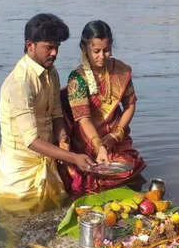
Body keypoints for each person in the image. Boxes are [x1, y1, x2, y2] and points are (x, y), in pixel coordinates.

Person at [0, 13, 96, 212]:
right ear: (30, 45)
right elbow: (31, 140)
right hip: (20, 176)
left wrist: (62, 136)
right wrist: (74, 158)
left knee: (52, 223)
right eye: (49, 47)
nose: (54, 53)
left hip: (47, 165)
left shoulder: (51, 72)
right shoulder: (20, 83)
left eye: (57, 47)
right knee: (19, 232)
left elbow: (56, 112)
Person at [59, 20, 146, 195]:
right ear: (85, 48)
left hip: (115, 135)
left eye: (106, 50)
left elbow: (130, 105)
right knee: (89, 176)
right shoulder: (78, 79)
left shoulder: (121, 71)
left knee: (128, 167)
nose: (102, 56)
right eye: (96, 51)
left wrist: (116, 134)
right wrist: (99, 146)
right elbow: (83, 119)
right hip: (87, 138)